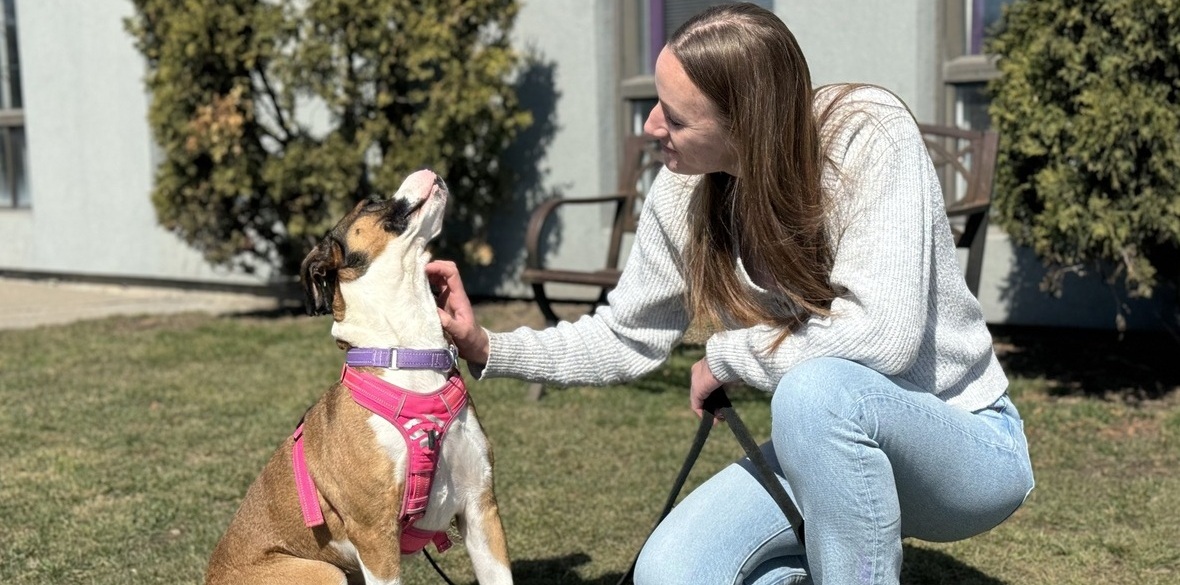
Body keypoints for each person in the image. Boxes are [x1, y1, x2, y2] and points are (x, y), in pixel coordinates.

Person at [426, 3, 1034, 584]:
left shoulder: (867, 135)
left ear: (747, 123)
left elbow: (881, 337)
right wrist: (486, 346)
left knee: (815, 390)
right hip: (828, 452)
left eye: (675, 115)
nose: (650, 125)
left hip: (967, 444)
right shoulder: (683, 190)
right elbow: (625, 336)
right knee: (673, 572)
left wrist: (727, 357)